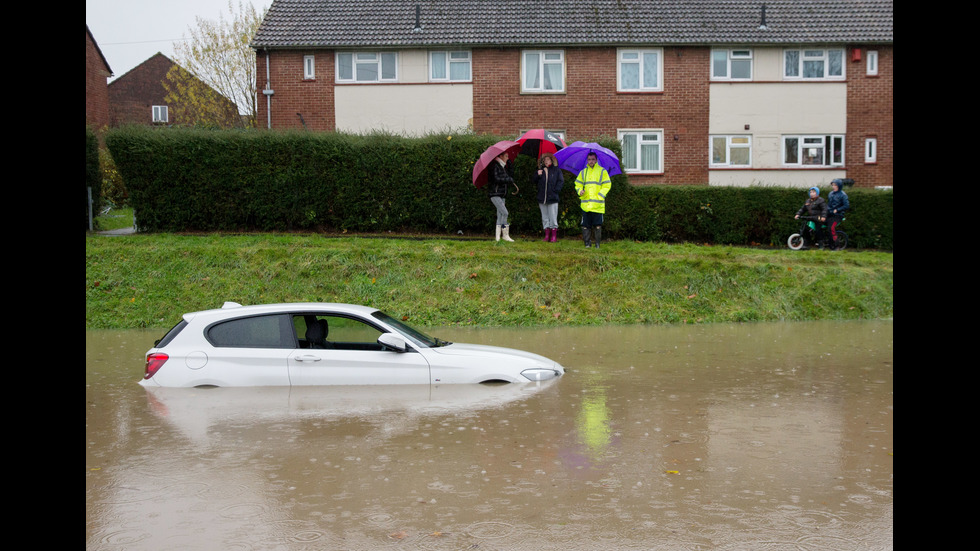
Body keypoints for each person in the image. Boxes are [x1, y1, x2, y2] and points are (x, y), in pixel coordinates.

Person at [574, 152, 612, 248]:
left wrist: (600, 195)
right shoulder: (583, 172)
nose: (591, 161)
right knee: (585, 225)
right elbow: (577, 184)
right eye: (589, 159)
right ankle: (587, 243)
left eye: (593, 159)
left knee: (597, 225)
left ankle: (597, 244)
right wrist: (580, 191)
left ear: (596, 160)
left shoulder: (602, 171)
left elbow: (607, 184)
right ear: (587, 160)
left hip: (597, 204)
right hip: (586, 204)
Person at [487, 152, 518, 242]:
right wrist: (508, 180)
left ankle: (498, 237)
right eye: (506, 156)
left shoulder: (503, 166)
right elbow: (496, 179)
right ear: (500, 156)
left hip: (502, 194)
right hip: (495, 194)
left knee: (500, 215)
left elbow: (510, 176)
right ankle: (505, 235)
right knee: (505, 213)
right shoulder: (495, 166)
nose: (507, 158)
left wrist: (510, 166)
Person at [532, 153, 564, 242]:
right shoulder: (540, 170)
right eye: (544, 160)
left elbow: (560, 181)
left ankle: (554, 236)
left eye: (548, 160)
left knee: (553, 217)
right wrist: (538, 175)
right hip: (542, 197)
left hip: (552, 197)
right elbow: (533, 181)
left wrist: (555, 190)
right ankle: (547, 235)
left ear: (551, 160)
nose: (546, 161)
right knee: (545, 217)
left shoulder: (556, 170)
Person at [826, 179, 850, 250]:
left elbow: (846, 206)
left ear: (839, 186)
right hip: (830, 213)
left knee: (831, 228)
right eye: (833, 185)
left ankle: (837, 246)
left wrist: (837, 210)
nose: (834, 187)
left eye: (835, 185)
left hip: (838, 215)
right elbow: (829, 204)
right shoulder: (830, 194)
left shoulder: (843, 195)